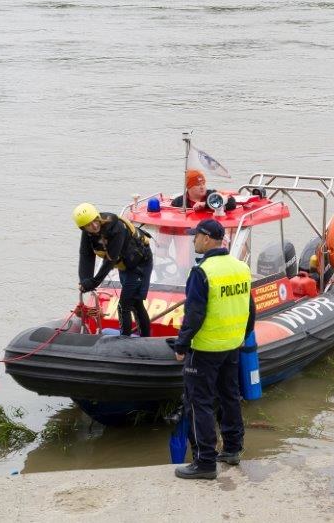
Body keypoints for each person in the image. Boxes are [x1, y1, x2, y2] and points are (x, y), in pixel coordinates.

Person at [172, 219, 255, 480]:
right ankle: (232, 449)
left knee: (200, 403)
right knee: (230, 396)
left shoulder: (202, 272)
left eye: (195, 235)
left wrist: (181, 344)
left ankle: (205, 461)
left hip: (206, 349)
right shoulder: (241, 268)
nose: (193, 239)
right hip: (231, 346)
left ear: (207, 239)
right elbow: (250, 309)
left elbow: (194, 314)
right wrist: (243, 336)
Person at [74, 202, 154, 337]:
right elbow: (86, 256)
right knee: (136, 303)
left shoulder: (116, 227)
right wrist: (85, 281)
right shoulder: (88, 234)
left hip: (140, 265)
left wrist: (94, 282)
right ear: (83, 228)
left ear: (98, 217)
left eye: (95, 221)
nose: (94, 226)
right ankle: (145, 337)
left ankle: (124, 340)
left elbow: (110, 259)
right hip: (125, 266)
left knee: (124, 306)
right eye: (89, 225)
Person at [171, 169, 237, 211]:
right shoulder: (178, 202)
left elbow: (232, 203)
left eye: (203, 183)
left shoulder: (212, 195)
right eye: (198, 184)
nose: (202, 187)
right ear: (189, 187)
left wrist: (205, 204)